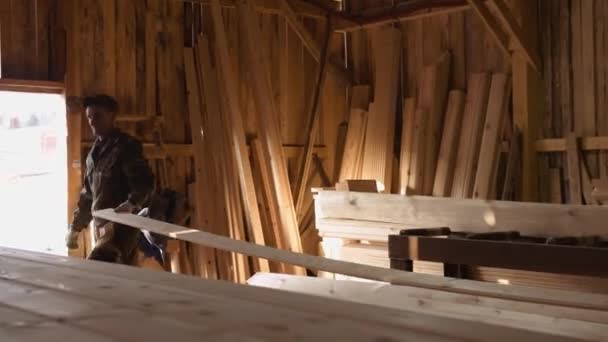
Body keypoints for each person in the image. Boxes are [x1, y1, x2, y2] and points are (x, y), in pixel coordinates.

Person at [65, 94, 154, 265]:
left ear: (112, 115)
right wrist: (75, 228)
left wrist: (132, 203)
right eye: (89, 117)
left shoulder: (126, 146)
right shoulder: (93, 154)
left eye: (97, 116)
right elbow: (88, 195)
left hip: (123, 230)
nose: (92, 121)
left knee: (104, 277)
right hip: (101, 227)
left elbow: (145, 183)